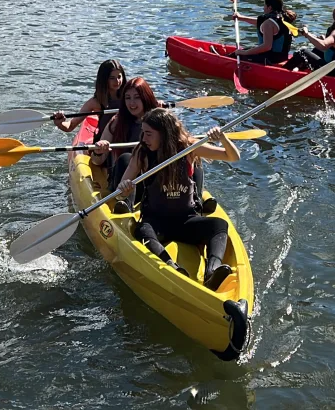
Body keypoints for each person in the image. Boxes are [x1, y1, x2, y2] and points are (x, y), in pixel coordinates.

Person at [116, 109, 240, 290]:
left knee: (219, 225)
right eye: (143, 133)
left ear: (164, 134)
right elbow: (120, 193)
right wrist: (125, 189)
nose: (143, 138)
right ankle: (171, 267)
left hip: (186, 221)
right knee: (142, 229)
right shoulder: (142, 153)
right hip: (157, 223)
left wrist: (222, 138)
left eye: (149, 134)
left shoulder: (189, 148)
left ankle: (212, 272)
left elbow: (233, 157)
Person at [90, 76, 162, 210]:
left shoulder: (158, 120)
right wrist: (99, 151)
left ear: (146, 97)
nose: (132, 103)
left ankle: (194, 201)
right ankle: (125, 205)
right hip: (122, 184)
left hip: (151, 180)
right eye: (128, 98)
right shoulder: (117, 121)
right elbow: (96, 161)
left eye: (137, 97)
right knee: (127, 158)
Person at [284, 4, 335, 75]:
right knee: (316, 50)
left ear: (334, 17)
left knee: (302, 52)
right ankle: (299, 68)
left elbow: (323, 46)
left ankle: (282, 72)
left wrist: (307, 34)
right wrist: (324, 39)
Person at [53, 59, 127, 134]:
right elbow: (70, 126)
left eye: (119, 77)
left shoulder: (129, 97)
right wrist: (60, 123)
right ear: (104, 79)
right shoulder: (95, 102)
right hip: (105, 142)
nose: (117, 81)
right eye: (112, 78)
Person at [227, 0, 296, 65]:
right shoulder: (283, 19)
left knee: (235, 55)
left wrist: (244, 53)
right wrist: (241, 17)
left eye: (265, 6)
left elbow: (267, 47)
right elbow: (260, 22)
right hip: (282, 57)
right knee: (245, 50)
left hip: (270, 60)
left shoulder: (268, 23)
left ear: (269, 7)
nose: (263, 8)